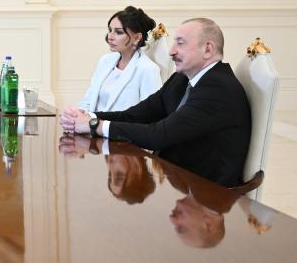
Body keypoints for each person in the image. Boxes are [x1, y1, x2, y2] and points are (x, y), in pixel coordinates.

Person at [59, 18, 251, 187]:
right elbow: (136, 115)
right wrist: (87, 117)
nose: (171, 51)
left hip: (206, 193)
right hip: (175, 179)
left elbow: (158, 135)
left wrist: (95, 125)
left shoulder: (218, 88)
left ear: (207, 49)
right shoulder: (182, 78)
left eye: (180, 43)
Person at [77, 6, 162, 112]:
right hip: (92, 121)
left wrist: (102, 122)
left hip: (118, 124)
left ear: (137, 37)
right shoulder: (105, 61)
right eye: (110, 30)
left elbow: (150, 113)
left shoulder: (148, 69)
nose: (110, 36)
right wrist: (77, 114)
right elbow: (88, 101)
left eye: (119, 32)